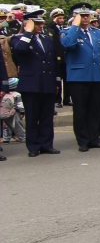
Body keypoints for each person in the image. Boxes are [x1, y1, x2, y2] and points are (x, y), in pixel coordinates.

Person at [61, 3, 100, 152]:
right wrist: (75, 26)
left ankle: (94, 138)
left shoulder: (97, 33)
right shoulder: (68, 32)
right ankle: (83, 140)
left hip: (96, 76)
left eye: (87, 15)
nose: (86, 18)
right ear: (75, 17)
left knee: (95, 110)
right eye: (82, 15)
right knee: (81, 111)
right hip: (79, 77)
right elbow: (68, 44)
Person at [10, 10, 61, 156]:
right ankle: (33, 146)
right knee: (32, 117)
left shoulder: (47, 38)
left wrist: (57, 80)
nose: (41, 25)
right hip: (31, 84)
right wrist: (28, 33)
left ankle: (46, 144)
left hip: (48, 82)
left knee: (46, 116)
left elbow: (53, 62)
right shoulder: (18, 38)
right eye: (37, 23)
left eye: (41, 23)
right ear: (28, 24)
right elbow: (20, 50)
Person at [1, 77, 25, 143]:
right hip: (15, 112)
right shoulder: (17, 94)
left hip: (5, 112)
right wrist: (22, 112)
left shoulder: (4, 94)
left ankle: (6, 138)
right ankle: (22, 137)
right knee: (17, 125)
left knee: (6, 125)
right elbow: (19, 104)